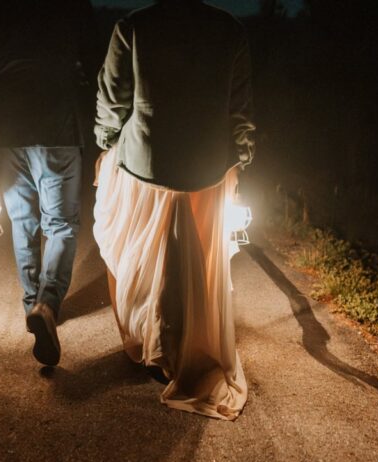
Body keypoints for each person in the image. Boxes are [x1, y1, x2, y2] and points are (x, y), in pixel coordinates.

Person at [93, 0, 256, 420]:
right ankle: (185, 345)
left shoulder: (134, 26)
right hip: (207, 163)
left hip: (146, 158)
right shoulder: (229, 29)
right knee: (195, 259)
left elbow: (113, 98)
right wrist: (241, 155)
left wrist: (105, 142)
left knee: (143, 252)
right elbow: (239, 107)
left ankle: (154, 346)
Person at [0, 0, 96, 366]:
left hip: (8, 126)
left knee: (23, 220)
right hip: (58, 125)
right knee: (62, 224)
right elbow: (95, 58)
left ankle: (31, 304)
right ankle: (47, 304)